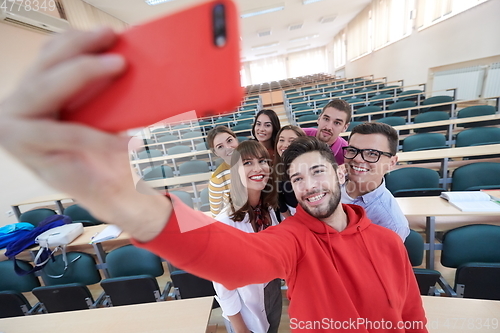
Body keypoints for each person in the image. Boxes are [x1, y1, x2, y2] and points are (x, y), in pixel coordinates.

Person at [1, 29, 427, 332]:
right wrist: (119, 197)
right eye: (297, 178)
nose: (309, 184)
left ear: (338, 170)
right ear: (291, 190)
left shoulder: (388, 240)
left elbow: (411, 316)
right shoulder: (294, 239)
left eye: (317, 170)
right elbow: (224, 255)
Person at [213, 140, 281, 333]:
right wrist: (241, 329)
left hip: (272, 290)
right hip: (244, 307)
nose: (258, 168)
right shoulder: (224, 223)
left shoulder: (267, 208)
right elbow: (224, 288)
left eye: (262, 161)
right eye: (247, 163)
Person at [340, 122, 410, 241]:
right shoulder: (330, 182)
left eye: (372, 154)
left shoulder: (391, 224)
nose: (357, 158)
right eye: (352, 150)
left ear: (391, 163)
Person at [301, 99, 351, 165]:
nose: (328, 127)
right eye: (326, 119)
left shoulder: (347, 154)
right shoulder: (300, 135)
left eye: (337, 123)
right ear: (319, 119)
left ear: (345, 127)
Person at [272, 125, 306, 218]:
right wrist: (289, 218)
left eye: (292, 141)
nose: (285, 145)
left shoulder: (310, 167)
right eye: (281, 140)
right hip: (291, 214)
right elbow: (278, 199)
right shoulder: (274, 170)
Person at [206, 126, 239, 217]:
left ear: (236, 139)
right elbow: (216, 214)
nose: (228, 147)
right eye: (220, 147)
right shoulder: (217, 179)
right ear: (215, 152)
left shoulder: (256, 161)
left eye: (229, 140)